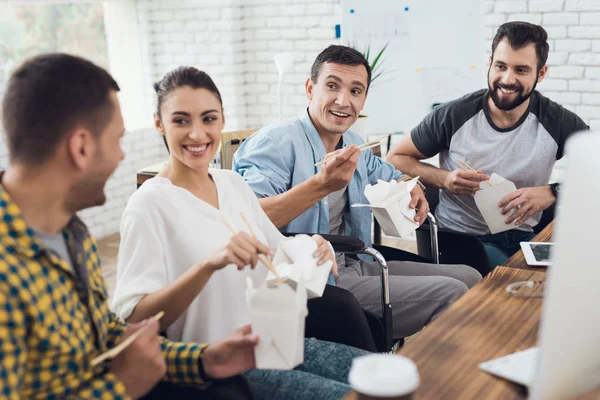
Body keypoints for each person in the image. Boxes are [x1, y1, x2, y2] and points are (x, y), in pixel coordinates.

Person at [0, 54, 263, 399]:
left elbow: (109, 336)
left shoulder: (71, 232)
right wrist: (119, 388)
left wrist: (202, 359)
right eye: (118, 140)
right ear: (81, 148)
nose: (122, 157)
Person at [111, 66, 371, 400]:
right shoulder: (148, 205)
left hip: (274, 342)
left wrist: (312, 246)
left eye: (208, 119)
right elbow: (133, 318)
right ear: (159, 123)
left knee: (384, 375)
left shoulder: (232, 184)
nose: (196, 134)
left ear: (222, 120)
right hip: (221, 368)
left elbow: (279, 253)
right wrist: (208, 265)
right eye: (181, 120)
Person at [232, 45, 482, 340]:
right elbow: (250, 219)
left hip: (355, 262)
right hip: (311, 279)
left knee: (472, 278)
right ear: (310, 88)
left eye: (355, 91)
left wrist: (410, 186)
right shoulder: (275, 143)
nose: (343, 101)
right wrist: (321, 186)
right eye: (332, 86)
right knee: (451, 293)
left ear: (363, 99)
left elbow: (387, 171)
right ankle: (435, 381)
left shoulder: (351, 142)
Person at [385, 21, 589, 268]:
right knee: (511, 285)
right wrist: (444, 179)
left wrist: (552, 192)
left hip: (526, 237)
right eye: (501, 66)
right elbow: (395, 157)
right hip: (463, 240)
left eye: (521, 70)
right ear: (490, 63)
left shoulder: (556, 121)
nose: (507, 79)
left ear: (541, 73)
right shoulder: (454, 115)